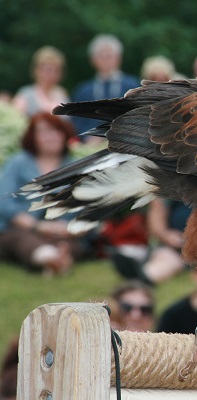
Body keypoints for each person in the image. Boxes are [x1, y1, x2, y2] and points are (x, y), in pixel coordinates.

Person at [0, 113, 89, 275]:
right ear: (33, 137)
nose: (51, 137)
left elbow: (87, 204)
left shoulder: (75, 166)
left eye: (56, 131)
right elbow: (4, 202)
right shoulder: (18, 163)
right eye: (44, 132)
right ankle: (53, 259)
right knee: (24, 240)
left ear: (64, 134)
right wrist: (37, 226)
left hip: (63, 231)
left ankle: (55, 260)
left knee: (69, 243)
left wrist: (69, 228)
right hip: (22, 229)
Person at [71, 34, 139, 135]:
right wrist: (87, 136)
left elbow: (139, 116)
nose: (106, 60)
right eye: (101, 56)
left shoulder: (132, 86)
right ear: (92, 60)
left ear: (119, 58)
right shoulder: (83, 90)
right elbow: (77, 120)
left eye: (109, 56)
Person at [12, 46, 69, 118]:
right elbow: (16, 120)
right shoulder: (25, 95)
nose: (51, 74)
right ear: (36, 70)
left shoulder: (62, 94)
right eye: (47, 70)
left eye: (56, 70)